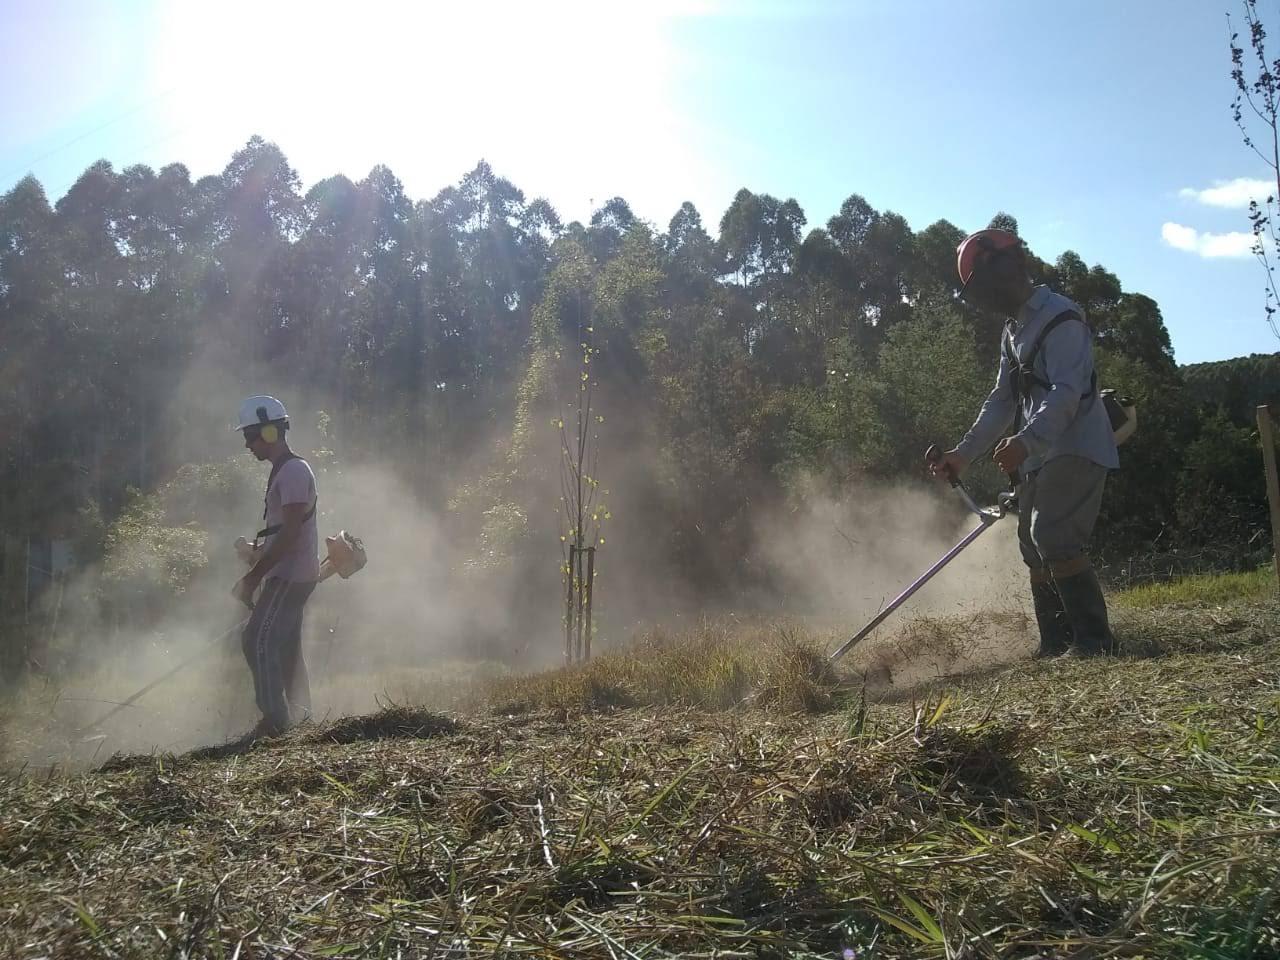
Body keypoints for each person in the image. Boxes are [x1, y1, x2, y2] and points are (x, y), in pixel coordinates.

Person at [930, 229, 1120, 658]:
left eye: (981, 286)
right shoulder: (1012, 330)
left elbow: (1067, 395)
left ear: (1007, 267)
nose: (982, 299)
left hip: (1076, 446)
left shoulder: (1061, 318)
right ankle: (1056, 642)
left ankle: (1094, 641)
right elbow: (1002, 399)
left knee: (1051, 533)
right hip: (1041, 454)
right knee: (1031, 543)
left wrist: (1026, 440)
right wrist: (963, 454)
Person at [233, 395, 320, 735]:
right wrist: (256, 551)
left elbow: (292, 533)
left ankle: (275, 722)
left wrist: (252, 578)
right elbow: (281, 533)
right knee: (286, 649)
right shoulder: (283, 472)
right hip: (288, 573)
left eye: (250, 436)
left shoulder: (294, 471)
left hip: (289, 577)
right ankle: (303, 720)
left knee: (257, 639)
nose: (247, 444)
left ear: (269, 433)